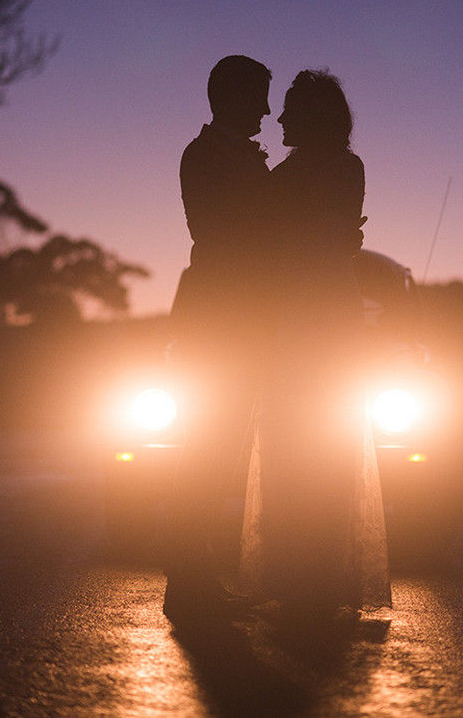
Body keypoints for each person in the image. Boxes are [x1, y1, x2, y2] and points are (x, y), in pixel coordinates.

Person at [239, 69, 391, 625]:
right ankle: (305, 574)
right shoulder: (334, 169)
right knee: (298, 443)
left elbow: (281, 242)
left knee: (314, 443)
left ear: (314, 117)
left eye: (290, 110)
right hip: (314, 310)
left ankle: (313, 576)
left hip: (312, 316)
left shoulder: (309, 172)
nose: (279, 119)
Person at [164, 54, 272, 626]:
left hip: (241, 325)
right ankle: (187, 582)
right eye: (259, 96)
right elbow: (222, 235)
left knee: (219, 453)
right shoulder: (204, 155)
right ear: (231, 97)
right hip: (223, 326)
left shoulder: (233, 156)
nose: (267, 109)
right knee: (206, 452)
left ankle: (195, 574)